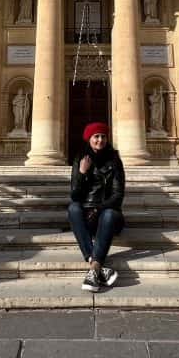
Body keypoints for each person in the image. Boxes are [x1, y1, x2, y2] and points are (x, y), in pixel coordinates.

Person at [68, 121, 125, 292]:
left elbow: (118, 195)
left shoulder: (114, 160)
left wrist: (99, 209)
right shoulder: (81, 159)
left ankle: (94, 268)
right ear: (89, 139)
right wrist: (82, 174)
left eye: (103, 136)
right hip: (87, 216)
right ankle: (97, 266)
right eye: (96, 136)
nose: (100, 140)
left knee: (108, 214)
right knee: (73, 208)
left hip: (108, 215)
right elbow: (75, 195)